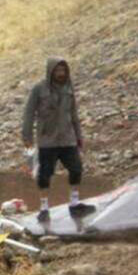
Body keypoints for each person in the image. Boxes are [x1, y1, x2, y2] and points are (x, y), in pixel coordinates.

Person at [21, 57, 94, 221]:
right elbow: (29, 113)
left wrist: (79, 136)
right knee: (45, 175)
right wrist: (27, 136)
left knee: (76, 169)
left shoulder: (69, 87)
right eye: (58, 70)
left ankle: (74, 204)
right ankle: (44, 209)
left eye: (63, 70)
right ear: (51, 72)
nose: (61, 74)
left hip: (68, 138)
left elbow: (73, 113)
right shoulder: (39, 89)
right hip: (48, 140)